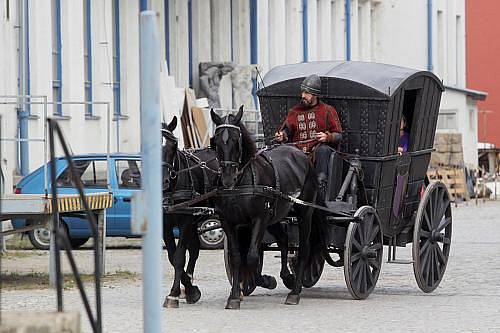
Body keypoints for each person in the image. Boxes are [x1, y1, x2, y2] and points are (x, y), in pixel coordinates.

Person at [274, 74, 342, 204]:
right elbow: (287, 130)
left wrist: (327, 137)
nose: (303, 96)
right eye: (302, 92)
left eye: (307, 93)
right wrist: (282, 135)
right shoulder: (294, 111)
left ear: (315, 95)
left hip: (316, 154)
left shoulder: (327, 111)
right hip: (297, 154)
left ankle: (320, 187)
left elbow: (338, 134)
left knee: (323, 151)